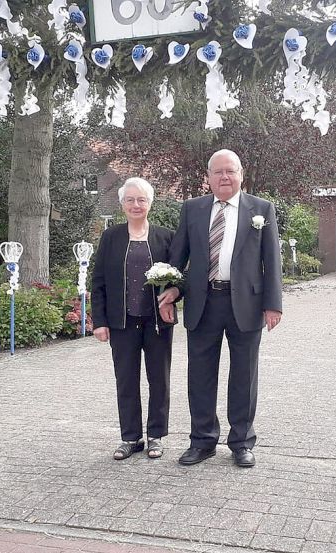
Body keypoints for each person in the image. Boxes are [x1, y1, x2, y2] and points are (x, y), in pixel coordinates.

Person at [158, 149, 283, 468]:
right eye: (218, 172)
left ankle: (241, 441)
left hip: (247, 304)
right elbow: (178, 258)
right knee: (200, 375)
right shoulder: (193, 209)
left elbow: (272, 260)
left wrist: (273, 304)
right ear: (209, 177)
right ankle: (202, 441)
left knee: (244, 375)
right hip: (203, 302)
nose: (224, 177)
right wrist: (169, 290)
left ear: (241, 175)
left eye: (230, 171)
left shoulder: (261, 209)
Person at [92, 177, 175, 460]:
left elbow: (181, 276)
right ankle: (130, 438)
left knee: (159, 380)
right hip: (122, 323)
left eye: (141, 200)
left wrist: (175, 294)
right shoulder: (111, 237)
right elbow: (99, 281)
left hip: (157, 323)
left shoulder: (166, 237)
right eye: (130, 200)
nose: (136, 205)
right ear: (122, 204)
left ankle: (156, 437)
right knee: (126, 380)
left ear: (150, 203)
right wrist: (100, 321)